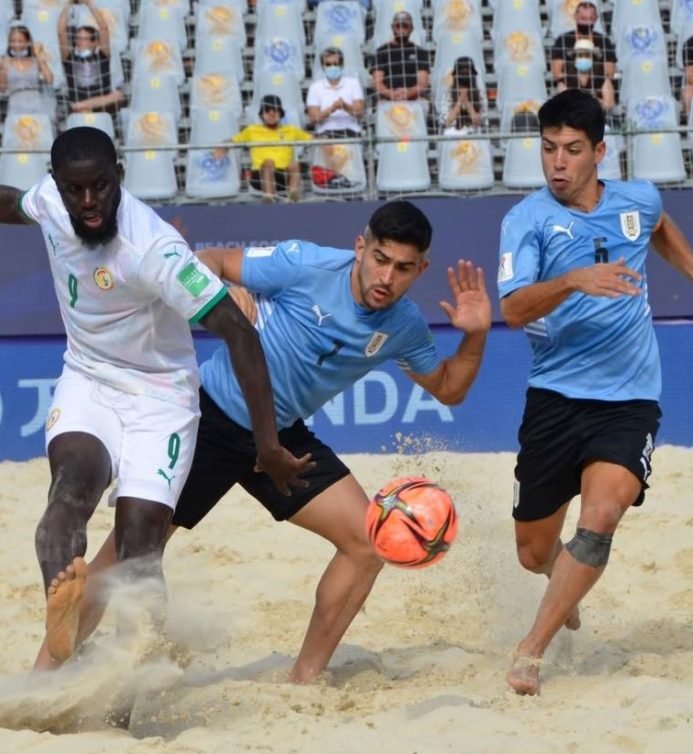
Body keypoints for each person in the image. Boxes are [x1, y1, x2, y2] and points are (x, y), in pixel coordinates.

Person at [0, 128, 311, 667]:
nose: (88, 203)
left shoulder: (154, 249)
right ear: (57, 184)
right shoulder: (54, 203)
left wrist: (267, 444)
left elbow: (240, 333)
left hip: (161, 399)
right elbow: (8, 204)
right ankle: (63, 624)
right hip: (88, 378)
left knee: (139, 545)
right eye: (74, 190)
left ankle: (133, 678)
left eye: (101, 187)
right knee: (68, 496)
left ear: (119, 179)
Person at [31, 201, 493, 682]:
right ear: (360, 246)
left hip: (281, 437)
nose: (387, 277)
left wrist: (476, 336)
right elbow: (207, 260)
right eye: (380, 258)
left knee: (366, 543)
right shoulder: (305, 263)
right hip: (209, 418)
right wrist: (226, 287)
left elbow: (447, 388)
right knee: (126, 556)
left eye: (402, 268)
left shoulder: (404, 325)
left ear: (421, 269)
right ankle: (42, 677)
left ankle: (305, 680)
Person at [496, 89, 693, 696]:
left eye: (572, 151)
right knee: (533, 551)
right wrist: (572, 279)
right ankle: (563, 584)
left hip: (630, 398)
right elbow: (511, 309)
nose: (557, 163)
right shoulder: (526, 219)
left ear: (599, 152)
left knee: (601, 516)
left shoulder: (637, 199)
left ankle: (531, 651)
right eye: (548, 149)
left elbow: (658, 227)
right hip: (554, 396)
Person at [221, 94, 312, 202]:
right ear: (262, 114)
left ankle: (293, 196)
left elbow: (312, 139)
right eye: (267, 110)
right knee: (269, 162)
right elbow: (232, 141)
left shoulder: (291, 130)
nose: (271, 113)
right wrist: (221, 147)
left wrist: (326, 140)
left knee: (294, 165)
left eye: (275, 110)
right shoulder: (252, 130)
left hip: (284, 175)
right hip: (259, 175)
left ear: (281, 114)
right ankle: (269, 198)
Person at [57, 0, 125, 115]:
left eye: (84, 39)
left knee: (118, 96)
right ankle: (83, 105)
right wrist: (68, 4)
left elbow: (104, 29)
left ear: (95, 42)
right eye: (77, 38)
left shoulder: (102, 56)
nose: (79, 42)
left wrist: (90, 4)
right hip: (79, 103)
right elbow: (61, 31)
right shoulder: (70, 58)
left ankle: (82, 105)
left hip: (102, 106)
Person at [550, 2, 616, 103]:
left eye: (590, 19)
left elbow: (610, 73)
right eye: (583, 19)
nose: (586, 23)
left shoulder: (603, 41)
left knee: (607, 85)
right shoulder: (563, 39)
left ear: (596, 18)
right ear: (575, 17)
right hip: (571, 84)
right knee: (561, 86)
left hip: (596, 85)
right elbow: (557, 73)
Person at [0, 25, 55, 118]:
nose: (16, 45)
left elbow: (49, 79)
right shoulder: (5, 61)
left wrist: (38, 55)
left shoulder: (35, 60)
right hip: (15, 104)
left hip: (37, 104)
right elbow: (2, 88)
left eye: (20, 41)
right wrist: (0, 67)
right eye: (12, 41)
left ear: (27, 42)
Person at [306, 46, 366, 139]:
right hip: (325, 131)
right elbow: (313, 119)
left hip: (351, 131)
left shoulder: (353, 83)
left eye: (335, 64)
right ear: (322, 66)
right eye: (328, 64)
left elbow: (360, 112)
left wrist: (344, 106)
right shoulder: (315, 87)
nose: (332, 67)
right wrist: (332, 109)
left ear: (342, 65)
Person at [371, 10, 430, 103]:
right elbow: (377, 82)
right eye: (398, 26)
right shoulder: (381, 52)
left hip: (415, 98)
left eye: (405, 26)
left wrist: (408, 93)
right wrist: (391, 94)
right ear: (392, 28)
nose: (401, 30)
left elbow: (422, 83)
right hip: (387, 97)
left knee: (423, 105)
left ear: (412, 29)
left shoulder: (420, 52)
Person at [439, 56, 483, 133]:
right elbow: (447, 123)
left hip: (474, 133)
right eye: (461, 69)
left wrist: (467, 101)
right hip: (453, 132)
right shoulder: (448, 93)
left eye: (467, 69)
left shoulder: (480, 93)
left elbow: (478, 123)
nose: (464, 71)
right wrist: (460, 98)